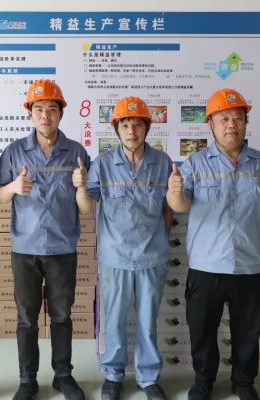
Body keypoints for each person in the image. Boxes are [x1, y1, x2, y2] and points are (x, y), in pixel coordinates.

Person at [76, 96, 188, 400]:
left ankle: (148, 377)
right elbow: (86, 206)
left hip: (153, 256)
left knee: (148, 321)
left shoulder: (162, 163)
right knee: (114, 319)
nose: (131, 131)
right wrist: (80, 186)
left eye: (137, 124)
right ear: (117, 129)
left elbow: (168, 209)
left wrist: (160, 239)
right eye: (125, 124)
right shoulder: (102, 164)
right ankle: (113, 374)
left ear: (146, 127)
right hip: (115, 257)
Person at [0, 80, 90, 400]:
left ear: (61, 113)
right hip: (25, 250)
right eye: (38, 109)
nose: (45, 115)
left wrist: (81, 186)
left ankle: (63, 375)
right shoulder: (14, 152)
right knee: (26, 319)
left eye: (51, 109)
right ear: (30, 114)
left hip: (62, 249)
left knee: (62, 316)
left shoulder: (76, 153)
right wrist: (13, 188)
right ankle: (27, 380)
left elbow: (86, 207)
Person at [179, 88, 260, 400]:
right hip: (206, 265)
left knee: (247, 332)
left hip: (249, 264)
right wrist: (172, 191)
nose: (231, 124)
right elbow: (180, 204)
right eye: (224, 118)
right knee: (202, 330)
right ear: (210, 124)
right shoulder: (195, 163)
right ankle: (203, 382)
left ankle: (244, 383)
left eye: (238, 117)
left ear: (246, 123)